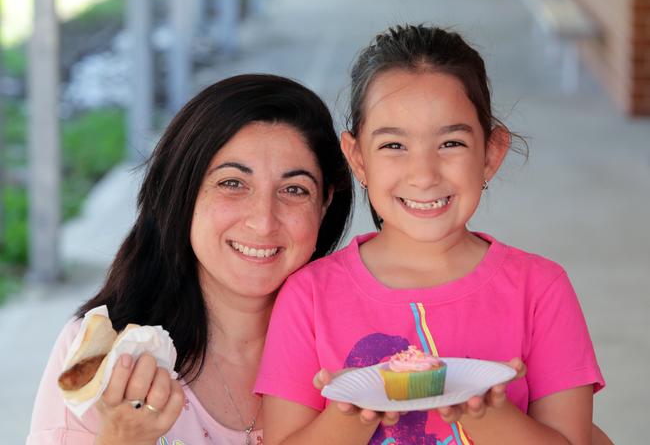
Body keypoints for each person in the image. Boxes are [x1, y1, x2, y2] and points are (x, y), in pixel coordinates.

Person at [255, 25, 606, 445]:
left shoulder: (541, 289)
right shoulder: (308, 296)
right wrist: (354, 413)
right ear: (357, 159)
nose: (424, 175)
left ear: (491, 154)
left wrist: (489, 414)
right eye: (393, 146)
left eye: (451, 143)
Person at [27, 73, 354, 444]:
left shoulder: (361, 347)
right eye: (233, 183)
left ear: (325, 204)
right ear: (183, 192)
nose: (263, 222)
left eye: (294, 189)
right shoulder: (99, 354)